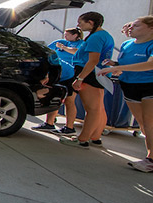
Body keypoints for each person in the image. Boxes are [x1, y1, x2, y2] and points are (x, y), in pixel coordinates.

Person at [98, 16, 153, 172]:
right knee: (142, 123)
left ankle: (150, 159)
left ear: (151, 28)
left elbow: (150, 65)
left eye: (136, 26)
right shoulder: (126, 44)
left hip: (150, 86)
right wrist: (114, 65)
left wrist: (114, 69)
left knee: (150, 123)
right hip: (129, 85)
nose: (130, 28)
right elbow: (125, 64)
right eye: (131, 26)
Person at [60, 12, 114, 149]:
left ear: (90, 22)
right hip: (95, 73)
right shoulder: (103, 35)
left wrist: (80, 78)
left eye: (80, 22)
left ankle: (83, 139)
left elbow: (93, 59)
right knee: (98, 108)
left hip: (89, 74)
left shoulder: (96, 37)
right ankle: (95, 137)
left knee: (92, 108)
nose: (78, 25)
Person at [32, 27, 84, 135]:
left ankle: (69, 127)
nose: (65, 37)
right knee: (55, 97)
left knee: (69, 100)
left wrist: (64, 48)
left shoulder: (80, 44)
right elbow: (47, 51)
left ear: (75, 35)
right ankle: (49, 123)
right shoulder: (59, 43)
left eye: (68, 35)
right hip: (58, 72)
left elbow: (78, 53)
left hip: (71, 74)